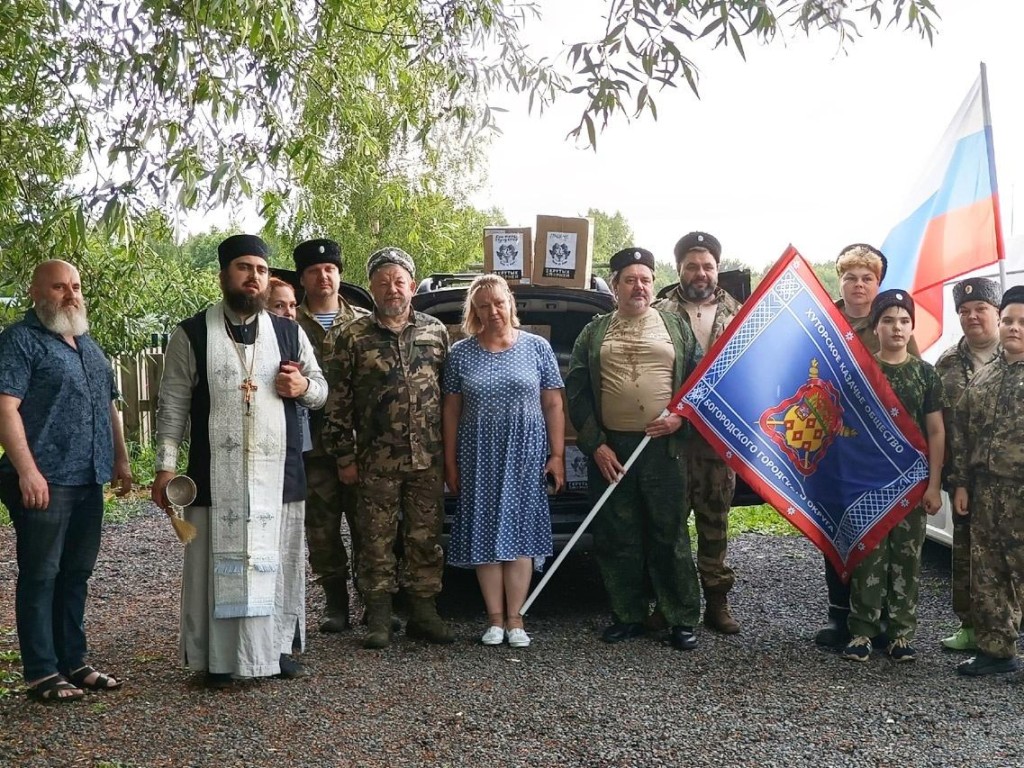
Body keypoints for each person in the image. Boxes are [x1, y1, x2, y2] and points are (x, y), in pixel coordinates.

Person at [151, 234, 328, 688]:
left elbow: (321, 389)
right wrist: (165, 468)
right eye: (244, 268)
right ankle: (216, 658)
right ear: (224, 274)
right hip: (215, 472)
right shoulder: (191, 333)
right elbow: (171, 405)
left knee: (278, 561)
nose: (254, 278)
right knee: (215, 564)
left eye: (262, 270)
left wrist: (301, 390)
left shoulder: (290, 333)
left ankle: (273, 651)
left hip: (278, 472)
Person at [0, 260, 132, 703]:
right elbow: (5, 408)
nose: (70, 294)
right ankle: (41, 671)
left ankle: (73, 662)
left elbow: (109, 406)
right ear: (36, 292)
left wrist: (121, 458)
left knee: (76, 573)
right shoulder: (20, 342)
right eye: (59, 287)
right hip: (45, 479)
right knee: (41, 575)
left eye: (75, 286)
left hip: (88, 479)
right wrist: (28, 471)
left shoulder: (89, 346)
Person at [566, 247, 703, 651]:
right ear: (615, 285)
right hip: (614, 447)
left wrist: (680, 419)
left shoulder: (675, 326)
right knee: (617, 534)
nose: (638, 286)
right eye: (630, 279)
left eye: (645, 279)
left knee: (670, 533)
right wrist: (596, 446)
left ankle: (680, 617)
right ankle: (628, 615)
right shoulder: (594, 331)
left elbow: (698, 383)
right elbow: (576, 391)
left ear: (652, 283)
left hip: (664, 447)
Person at [322, 247, 452, 649]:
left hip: (427, 457)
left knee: (424, 537)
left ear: (412, 286)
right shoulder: (351, 336)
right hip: (373, 460)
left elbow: (450, 396)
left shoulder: (435, 331)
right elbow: (336, 402)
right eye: (382, 282)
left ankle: (424, 613)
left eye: (399, 281)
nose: (391, 288)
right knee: (374, 537)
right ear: (372, 289)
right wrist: (344, 456)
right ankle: (379, 615)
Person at [442, 274, 565, 648]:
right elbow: (450, 411)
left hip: (526, 456)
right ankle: (494, 620)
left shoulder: (537, 347)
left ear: (510, 303)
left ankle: (517, 620)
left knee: (522, 535)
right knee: (484, 531)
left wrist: (557, 455)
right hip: (478, 455)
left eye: (498, 303)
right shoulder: (460, 353)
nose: (492, 311)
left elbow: (553, 403)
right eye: (483, 306)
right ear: (474, 312)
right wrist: (450, 462)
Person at [815, 243, 921, 648]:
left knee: (877, 533)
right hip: (833, 445)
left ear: (878, 283)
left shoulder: (891, 325)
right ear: (839, 281)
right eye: (850, 277)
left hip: (879, 452)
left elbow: (907, 386)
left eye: (867, 278)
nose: (858, 285)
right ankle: (840, 615)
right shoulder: (825, 321)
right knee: (835, 528)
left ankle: (875, 620)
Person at [842, 290, 944, 663]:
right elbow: (846, 433)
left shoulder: (924, 374)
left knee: (907, 558)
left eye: (904, 320)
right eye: (888, 320)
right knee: (868, 555)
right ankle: (862, 632)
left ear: (912, 326)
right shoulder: (862, 374)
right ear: (875, 326)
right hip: (869, 484)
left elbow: (935, 431)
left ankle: (901, 633)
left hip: (912, 485)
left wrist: (934, 485)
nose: (897, 328)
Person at [654, 231, 742, 633]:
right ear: (679, 269)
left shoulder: (742, 313)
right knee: (668, 524)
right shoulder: (658, 310)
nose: (700, 272)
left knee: (714, 522)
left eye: (707, 265)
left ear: (717, 269)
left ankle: (716, 603)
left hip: (715, 440)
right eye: (692, 265)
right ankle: (669, 602)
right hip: (670, 439)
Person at [291, 239, 370, 633]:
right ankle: (335, 603)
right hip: (311, 448)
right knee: (321, 529)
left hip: (361, 445)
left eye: (330, 270)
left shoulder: (363, 322)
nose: (323, 277)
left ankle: (373, 601)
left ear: (339, 275)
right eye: (314, 271)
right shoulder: (287, 323)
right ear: (303, 278)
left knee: (368, 527)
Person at [951, 284, 1024, 676]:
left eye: (1022, 322)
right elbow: (962, 435)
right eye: (1009, 320)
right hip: (987, 490)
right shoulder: (984, 379)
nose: (1014, 328)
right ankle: (997, 651)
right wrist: (960, 483)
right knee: (988, 572)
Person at [933, 277, 1002, 652]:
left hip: (1010, 479)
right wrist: (955, 481)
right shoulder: (947, 363)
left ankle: (1005, 630)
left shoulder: (1014, 357)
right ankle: (971, 626)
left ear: (997, 312)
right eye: (964, 311)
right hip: (966, 480)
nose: (972, 317)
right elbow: (945, 427)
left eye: (981, 310)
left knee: (1008, 556)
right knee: (966, 556)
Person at [268, 278, 313, 454]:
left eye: (293, 305)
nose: (289, 312)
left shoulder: (296, 337)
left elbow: (320, 388)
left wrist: (304, 386)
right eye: (279, 305)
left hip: (296, 440)